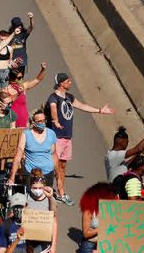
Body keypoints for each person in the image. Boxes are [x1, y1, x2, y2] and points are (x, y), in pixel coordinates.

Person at [44, 73, 113, 206]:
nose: (70, 82)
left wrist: (100, 110)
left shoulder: (69, 97)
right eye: (67, 81)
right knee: (54, 166)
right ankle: (59, 193)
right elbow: (52, 108)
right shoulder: (53, 98)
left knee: (62, 166)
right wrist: (55, 120)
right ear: (61, 84)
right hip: (57, 137)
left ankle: (60, 192)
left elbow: (82, 106)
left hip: (67, 137)